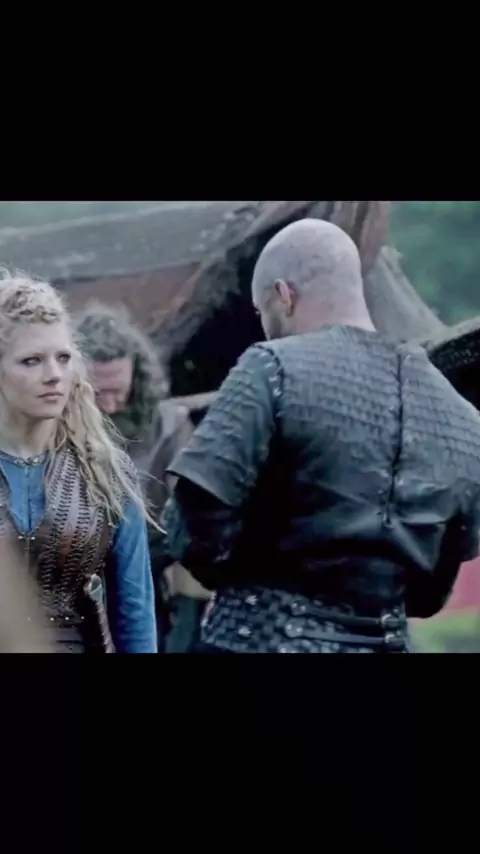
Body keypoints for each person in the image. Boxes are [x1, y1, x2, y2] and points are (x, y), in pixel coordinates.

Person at [160, 218, 480, 653]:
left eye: (262, 312)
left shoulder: (272, 367)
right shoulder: (462, 418)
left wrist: (232, 574)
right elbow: (437, 580)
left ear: (283, 295)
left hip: (259, 639)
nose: (265, 326)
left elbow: (197, 506)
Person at [0, 269, 157, 653]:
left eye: (63, 358)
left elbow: (134, 614)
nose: (54, 375)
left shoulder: (105, 472)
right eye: (31, 360)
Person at [75, 302, 211, 652]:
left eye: (119, 391)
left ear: (136, 377)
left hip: (146, 571)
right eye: (99, 393)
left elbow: (190, 511)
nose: (110, 405)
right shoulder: (54, 428)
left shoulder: (168, 428)